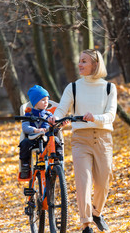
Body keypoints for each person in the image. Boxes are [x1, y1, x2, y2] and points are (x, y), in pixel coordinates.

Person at [49, 49, 117, 233]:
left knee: (104, 181)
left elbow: (111, 115)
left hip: (103, 139)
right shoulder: (73, 87)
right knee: (83, 182)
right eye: (79, 61)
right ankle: (86, 224)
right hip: (81, 140)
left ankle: (97, 212)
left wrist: (94, 117)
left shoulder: (109, 88)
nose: (79, 64)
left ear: (95, 64)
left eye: (84, 61)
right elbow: (62, 109)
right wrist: (56, 118)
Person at [19, 85, 52, 179]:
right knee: (24, 143)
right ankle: (25, 166)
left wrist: (58, 125)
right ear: (35, 102)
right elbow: (25, 127)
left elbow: (53, 124)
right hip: (34, 139)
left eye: (47, 99)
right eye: (43, 100)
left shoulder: (49, 114)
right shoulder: (28, 114)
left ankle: (57, 158)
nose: (46, 102)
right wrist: (35, 130)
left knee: (56, 139)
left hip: (46, 139)